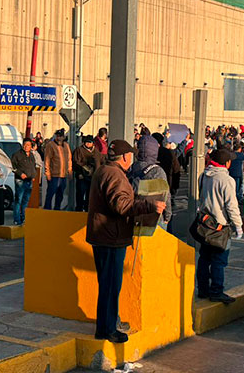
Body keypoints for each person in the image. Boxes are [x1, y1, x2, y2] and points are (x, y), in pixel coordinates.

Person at [86, 139, 165, 344]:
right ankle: (108, 329)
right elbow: (122, 205)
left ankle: (106, 326)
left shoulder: (104, 170)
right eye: (131, 154)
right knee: (112, 286)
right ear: (125, 157)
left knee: (107, 285)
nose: (132, 158)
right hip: (112, 237)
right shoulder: (115, 175)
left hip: (104, 235)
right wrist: (149, 205)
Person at [196, 149, 243, 304]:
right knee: (219, 261)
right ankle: (216, 291)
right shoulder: (226, 180)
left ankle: (202, 290)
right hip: (220, 227)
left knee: (204, 258)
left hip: (205, 224)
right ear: (227, 163)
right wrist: (238, 226)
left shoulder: (203, 176)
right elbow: (231, 206)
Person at [128, 135, 172, 228]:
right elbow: (165, 195)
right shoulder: (157, 171)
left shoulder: (132, 168)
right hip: (154, 216)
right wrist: (167, 216)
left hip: (135, 213)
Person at [44, 129, 72, 210]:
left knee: (60, 195)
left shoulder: (66, 145)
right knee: (50, 194)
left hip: (63, 175)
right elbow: (47, 160)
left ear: (63, 137)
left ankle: (57, 209)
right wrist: (48, 173)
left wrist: (70, 171)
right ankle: (47, 210)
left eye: (61, 136)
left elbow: (69, 159)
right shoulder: (51, 145)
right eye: (58, 136)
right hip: (54, 175)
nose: (59, 138)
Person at [73, 135, 102, 212]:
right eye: (87, 142)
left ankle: (87, 210)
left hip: (92, 178)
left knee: (90, 195)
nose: (88, 144)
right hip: (82, 176)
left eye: (90, 142)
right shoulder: (79, 150)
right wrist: (79, 173)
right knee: (80, 194)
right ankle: (79, 209)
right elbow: (75, 163)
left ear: (93, 143)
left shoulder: (96, 152)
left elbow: (101, 161)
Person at [11, 138, 37, 225]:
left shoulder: (31, 155)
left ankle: (23, 218)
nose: (26, 147)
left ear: (31, 146)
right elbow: (12, 167)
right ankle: (17, 220)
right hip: (20, 180)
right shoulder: (17, 155)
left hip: (29, 181)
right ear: (23, 145)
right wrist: (20, 173)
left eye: (28, 145)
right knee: (18, 200)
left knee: (25, 201)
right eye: (25, 145)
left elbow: (33, 166)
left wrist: (33, 175)